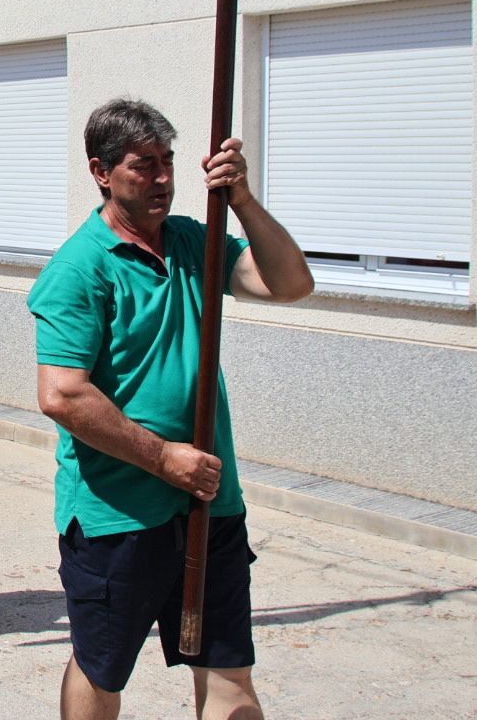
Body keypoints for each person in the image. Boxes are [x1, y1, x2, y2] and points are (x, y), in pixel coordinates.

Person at [30, 99, 315, 720]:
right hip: (117, 516)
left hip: (210, 502)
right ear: (101, 172)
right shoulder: (78, 269)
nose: (162, 179)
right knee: (100, 670)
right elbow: (62, 394)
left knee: (229, 676)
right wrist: (163, 459)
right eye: (144, 165)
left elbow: (292, 283)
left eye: (168, 162)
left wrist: (240, 197)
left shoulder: (193, 240)